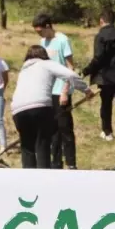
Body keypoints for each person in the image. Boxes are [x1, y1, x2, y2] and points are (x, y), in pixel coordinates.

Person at [11, 46, 91, 169]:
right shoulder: (46, 64)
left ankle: (27, 181)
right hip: (40, 106)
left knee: (27, 147)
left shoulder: (23, 70)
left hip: (17, 110)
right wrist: (86, 90)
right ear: (44, 55)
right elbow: (70, 75)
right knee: (42, 143)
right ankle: (44, 180)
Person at [81, 9, 115, 147]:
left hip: (106, 77)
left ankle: (107, 132)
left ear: (101, 21)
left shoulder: (101, 36)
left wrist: (86, 71)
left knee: (106, 103)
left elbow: (98, 58)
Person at [32, 13, 78, 170]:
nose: (39, 34)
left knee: (65, 128)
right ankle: (56, 164)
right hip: (48, 91)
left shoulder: (63, 40)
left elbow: (70, 67)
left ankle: (71, 164)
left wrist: (66, 90)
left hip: (61, 91)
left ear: (48, 26)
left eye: (40, 31)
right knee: (52, 131)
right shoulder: (42, 42)